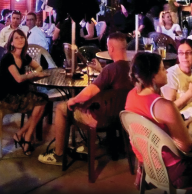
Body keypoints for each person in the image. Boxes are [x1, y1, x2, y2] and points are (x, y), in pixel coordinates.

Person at [38, 32, 134, 165]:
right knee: (85, 104)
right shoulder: (131, 68)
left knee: (62, 108)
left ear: (111, 48)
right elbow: (116, 85)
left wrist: (74, 100)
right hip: (121, 118)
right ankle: (83, 144)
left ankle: (58, 154)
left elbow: (89, 92)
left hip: (100, 119)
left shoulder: (111, 69)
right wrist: (101, 71)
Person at [125, 52, 192, 189]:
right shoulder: (163, 106)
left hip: (148, 163)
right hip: (173, 170)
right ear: (153, 76)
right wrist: (191, 129)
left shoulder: (131, 96)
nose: (166, 71)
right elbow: (186, 146)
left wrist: (185, 123)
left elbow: (156, 131)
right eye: (162, 69)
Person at [0, 29, 48, 155]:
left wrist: (35, 72)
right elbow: (19, 79)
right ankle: (25, 138)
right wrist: (31, 75)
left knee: (43, 100)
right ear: (12, 42)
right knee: (41, 102)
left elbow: (39, 67)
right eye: (16, 38)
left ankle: (23, 135)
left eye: (22, 37)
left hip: (20, 94)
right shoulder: (8, 57)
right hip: (8, 97)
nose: (20, 40)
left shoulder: (24, 56)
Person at [161, 40, 192, 118]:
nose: (184, 56)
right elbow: (168, 110)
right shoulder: (171, 74)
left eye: (188, 53)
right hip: (182, 122)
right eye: (181, 53)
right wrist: (190, 93)